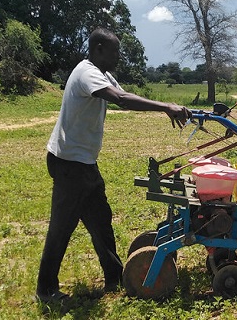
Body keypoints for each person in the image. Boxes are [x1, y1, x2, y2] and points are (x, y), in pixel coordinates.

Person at [35, 27, 191, 303]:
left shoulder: (103, 74)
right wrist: (166, 107)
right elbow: (120, 99)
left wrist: (170, 107)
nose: (119, 57)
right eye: (115, 51)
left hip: (84, 163)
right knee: (62, 227)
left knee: (100, 220)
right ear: (98, 50)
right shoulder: (87, 73)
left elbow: (125, 96)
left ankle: (114, 277)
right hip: (69, 163)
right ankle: (45, 290)